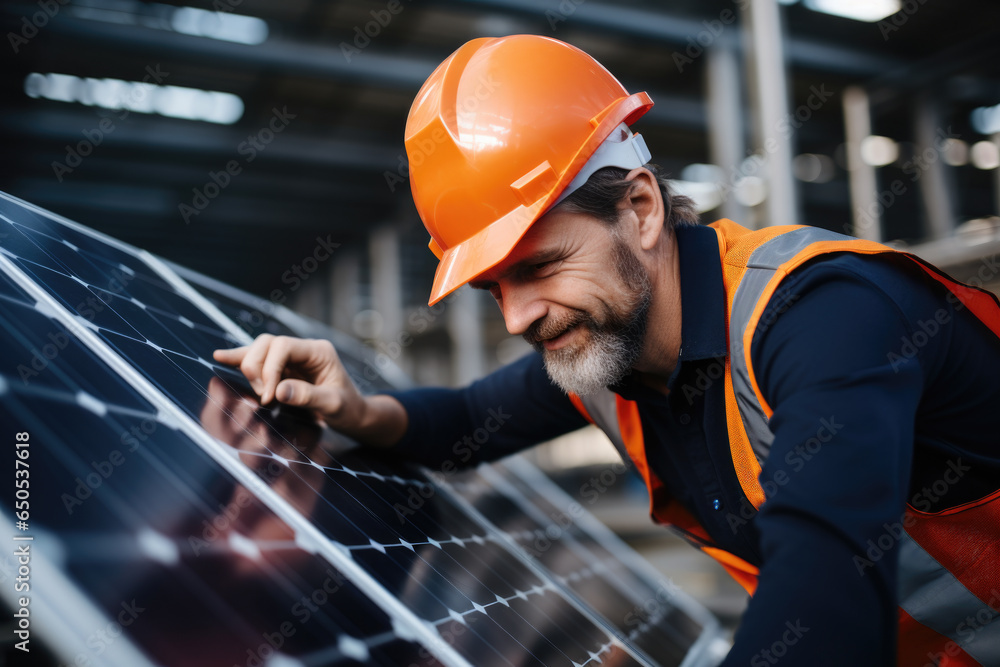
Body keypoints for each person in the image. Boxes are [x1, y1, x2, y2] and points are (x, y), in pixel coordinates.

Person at [214, 35, 1000, 666]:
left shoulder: (823, 319)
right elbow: (466, 419)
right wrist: (355, 407)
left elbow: (826, 601)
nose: (519, 316)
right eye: (493, 287)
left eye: (539, 267)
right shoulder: (609, 351)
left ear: (641, 207)